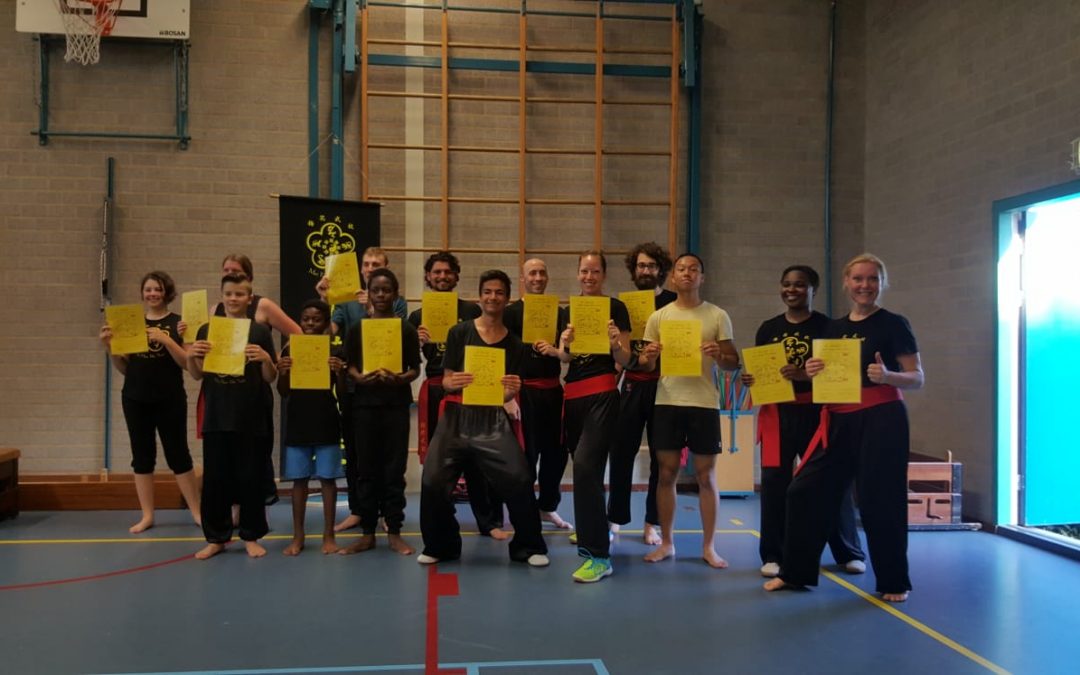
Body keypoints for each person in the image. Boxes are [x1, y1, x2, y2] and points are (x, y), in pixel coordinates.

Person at [764, 253, 924, 603]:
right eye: (858, 279)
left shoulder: (894, 324)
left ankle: (894, 580)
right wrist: (805, 371)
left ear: (881, 284)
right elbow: (825, 375)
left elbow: (917, 377)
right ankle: (796, 573)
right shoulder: (832, 329)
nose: (864, 285)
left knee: (878, 500)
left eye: (872, 279)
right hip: (838, 419)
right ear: (846, 283)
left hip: (882, 419)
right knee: (803, 490)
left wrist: (889, 375)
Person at [418, 270, 549, 567]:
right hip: (455, 418)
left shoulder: (515, 344)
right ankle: (442, 545)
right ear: (480, 296)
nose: (493, 297)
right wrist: (455, 382)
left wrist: (510, 392)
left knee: (519, 476)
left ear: (507, 298)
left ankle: (529, 546)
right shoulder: (459, 332)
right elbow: (447, 381)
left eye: (499, 292)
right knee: (433, 481)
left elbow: (503, 395)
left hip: (491, 420)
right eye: (487, 291)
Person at [741, 265, 866, 578]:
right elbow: (764, 371)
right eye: (786, 284)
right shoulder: (768, 328)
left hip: (819, 414)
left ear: (814, 289)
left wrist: (805, 377)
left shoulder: (830, 327)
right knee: (774, 484)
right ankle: (773, 554)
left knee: (832, 482)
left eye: (799, 285)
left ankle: (848, 551)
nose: (792, 290)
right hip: (778, 415)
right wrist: (752, 379)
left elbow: (840, 374)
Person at [636, 253, 736, 568]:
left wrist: (720, 353)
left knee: (706, 476)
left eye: (694, 269)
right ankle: (667, 542)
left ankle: (709, 547)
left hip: (704, 403)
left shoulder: (718, 315)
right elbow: (644, 363)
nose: (687, 273)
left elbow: (733, 363)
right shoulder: (659, 317)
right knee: (666, 474)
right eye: (681, 269)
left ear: (702, 278)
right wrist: (649, 355)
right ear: (673, 278)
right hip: (667, 401)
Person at [408, 251, 504, 539]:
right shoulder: (416, 316)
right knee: (437, 462)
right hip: (436, 387)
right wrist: (415, 342)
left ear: (456, 276)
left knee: (478, 457)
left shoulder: (473, 311)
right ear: (428, 276)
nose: (441, 276)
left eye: (447, 272)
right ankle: (441, 521)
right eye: (436, 272)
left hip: (471, 390)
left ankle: (488, 521)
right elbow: (407, 361)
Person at [99, 271, 200, 534]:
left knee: (178, 454)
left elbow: (187, 364)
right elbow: (125, 368)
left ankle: (197, 511)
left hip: (170, 398)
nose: (152, 294)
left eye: (157, 289)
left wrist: (166, 339)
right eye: (148, 290)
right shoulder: (131, 323)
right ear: (142, 293)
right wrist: (111, 348)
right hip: (135, 398)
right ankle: (147, 515)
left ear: (167, 292)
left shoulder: (179, 323)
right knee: (142, 457)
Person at [315, 246, 408, 533]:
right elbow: (324, 333)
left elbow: (397, 335)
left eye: (375, 264)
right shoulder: (344, 303)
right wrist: (323, 299)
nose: (369, 268)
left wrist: (371, 307)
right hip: (354, 388)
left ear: (386, 267)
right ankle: (359, 510)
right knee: (357, 454)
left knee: (388, 457)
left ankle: (386, 513)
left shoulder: (397, 302)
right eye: (366, 264)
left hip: (388, 389)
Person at [188, 273, 278, 559]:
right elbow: (197, 374)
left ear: (249, 299)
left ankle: (251, 536)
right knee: (216, 480)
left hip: (250, 416)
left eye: (240, 294)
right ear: (222, 296)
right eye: (229, 294)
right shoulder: (206, 330)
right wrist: (192, 354)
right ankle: (216, 538)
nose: (234, 299)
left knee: (251, 478)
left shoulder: (260, 332)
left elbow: (270, 377)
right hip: (216, 415)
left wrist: (265, 359)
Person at [557, 250, 632, 583]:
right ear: (577, 274)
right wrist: (565, 345)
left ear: (603, 275)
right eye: (584, 271)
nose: (589, 277)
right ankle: (594, 529)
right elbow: (565, 359)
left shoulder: (615, 308)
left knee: (586, 468)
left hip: (602, 394)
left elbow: (627, 359)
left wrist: (615, 342)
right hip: (572, 396)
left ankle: (598, 556)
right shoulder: (567, 311)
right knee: (584, 470)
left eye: (595, 271)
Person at [209, 254, 301, 511]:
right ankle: (233, 511)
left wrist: (277, 359)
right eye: (226, 270)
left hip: (255, 390)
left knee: (254, 454)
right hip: (224, 390)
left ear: (248, 278)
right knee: (226, 456)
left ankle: (256, 510)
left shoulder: (263, 306)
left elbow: (297, 332)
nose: (231, 273)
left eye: (236, 270)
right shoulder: (215, 310)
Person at [341, 268, 421, 556]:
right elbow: (348, 364)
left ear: (396, 294)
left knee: (393, 469)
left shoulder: (405, 329)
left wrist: (401, 378)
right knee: (366, 469)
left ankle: (395, 531)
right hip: (363, 406)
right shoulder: (357, 329)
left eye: (387, 290)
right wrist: (358, 378)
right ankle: (367, 533)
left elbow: (415, 367)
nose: (382, 295)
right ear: (369, 294)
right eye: (376, 290)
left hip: (396, 407)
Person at [607, 242, 676, 546]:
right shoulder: (623, 305)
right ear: (633, 271)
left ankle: (652, 522)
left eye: (651, 266)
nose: (645, 271)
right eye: (640, 266)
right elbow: (620, 351)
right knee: (621, 454)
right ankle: (616, 519)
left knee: (662, 461)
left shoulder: (676, 302)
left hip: (667, 388)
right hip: (633, 384)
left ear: (661, 269)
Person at [502, 258, 572, 530]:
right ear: (523, 278)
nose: (538, 277)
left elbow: (568, 355)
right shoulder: (510, 313)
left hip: (553, 390)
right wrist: (508, 398)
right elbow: (501, 354)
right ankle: (523, 509)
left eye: (542, 272)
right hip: (523, 391)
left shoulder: (560, 312)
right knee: (525, 456)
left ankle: (547, 506)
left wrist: (560, 348)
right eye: (532, 273)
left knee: (556, 454)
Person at [277, 300, 346, 556]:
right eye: (306, 319)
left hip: (326, 419)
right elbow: (283, 392)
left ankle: (329, 535)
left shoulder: (334, 352)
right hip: (298, 421)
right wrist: (283, 372)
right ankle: (298, 536)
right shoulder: (290, 350)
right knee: (299, 480)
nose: (310, 324)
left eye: (316, 320)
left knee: (328, 479)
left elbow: (343, 393)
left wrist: (339, 372)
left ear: (327, 323)